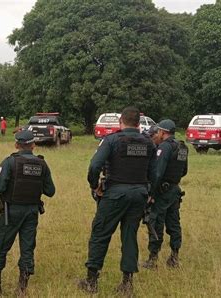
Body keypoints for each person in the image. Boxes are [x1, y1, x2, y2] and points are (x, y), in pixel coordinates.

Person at [79, 107, 156, 296]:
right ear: (139, 124)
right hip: (139, 194)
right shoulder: (148, 143)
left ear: (121, 121)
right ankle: (127, 284)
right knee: (130, 236)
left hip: (115, 192)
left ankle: (91, 281)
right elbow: (154, 173)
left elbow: (95, 165)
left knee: (100, 233)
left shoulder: (112, 140)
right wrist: (149, 192)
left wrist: (94, 185)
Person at [0, 130, 56, 296]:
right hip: (31, 212)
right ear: (33, 145)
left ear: (16, 144)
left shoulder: (10, 162)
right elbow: (50, 191)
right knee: (27, 247)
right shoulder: (42, 164)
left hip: (11, 212)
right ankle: (22, 288)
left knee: (0, 246)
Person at [142, 119, 188, 269]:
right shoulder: (182, 147)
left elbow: (157, 173)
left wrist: (151, 193)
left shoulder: (164, 147)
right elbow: (185, 171)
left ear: (162, 132)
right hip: (175, 190)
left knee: (156, 223)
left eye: (159, 131)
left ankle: (152, 259)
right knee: (174, 223)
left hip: (162, 191)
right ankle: (174, 256)